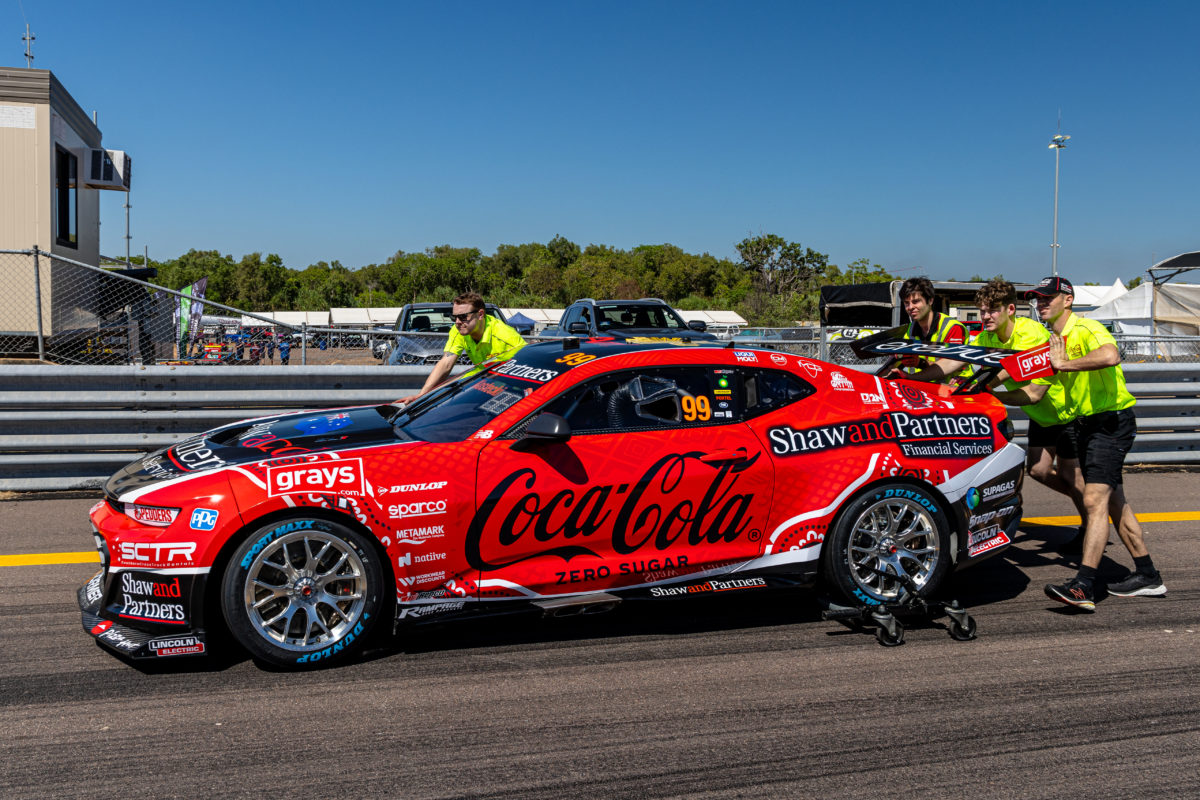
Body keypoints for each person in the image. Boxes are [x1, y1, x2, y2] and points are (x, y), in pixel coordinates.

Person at [989, 276, 1165, 611]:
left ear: (1067, 300)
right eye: (1038, 299)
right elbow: (1017, 373)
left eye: (1048, 298)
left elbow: (1112, 354)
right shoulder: (1053, 339)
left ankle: (1084, 586)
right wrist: (982, 386)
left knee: (1095, 499)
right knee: (1115, 502)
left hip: (1110, 421)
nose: (1041, 304)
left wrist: (1065, 364)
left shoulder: (1085, 328)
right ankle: (1147, 574)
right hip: (1086, 424)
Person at [904, 279, 1088, 543]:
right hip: (1041, 417)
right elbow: (956, 361)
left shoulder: (1031, 335)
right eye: (982, 311)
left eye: (992, 310)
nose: (985, 316)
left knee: (1072, 476)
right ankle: (1089, 503)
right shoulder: (987, 336)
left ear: (1010, 309)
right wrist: (918, 379)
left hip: (1067, 413)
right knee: (1039, 471)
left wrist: (987, 389)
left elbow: (1029, 390)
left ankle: (1089, 525)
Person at [395, 292, 525, 406]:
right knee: (444, 391)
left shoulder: (506, 336)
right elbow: (446, 363)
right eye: (454, 317)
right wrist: (421, 396)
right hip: (485, 378)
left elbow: (531, 369)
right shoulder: (458, 330)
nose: (457, 322)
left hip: (513, 386)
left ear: (480, 314)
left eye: (463, 317)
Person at [885, 276, 968, 382]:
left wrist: (919, 364)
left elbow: (949, 365)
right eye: (906, 303)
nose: (910, 307)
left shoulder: (952, 327)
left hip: (959, 389)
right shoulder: (911, 329)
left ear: (930, 300)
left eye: (915, 302)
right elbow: (896, 360)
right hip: (927, 389)